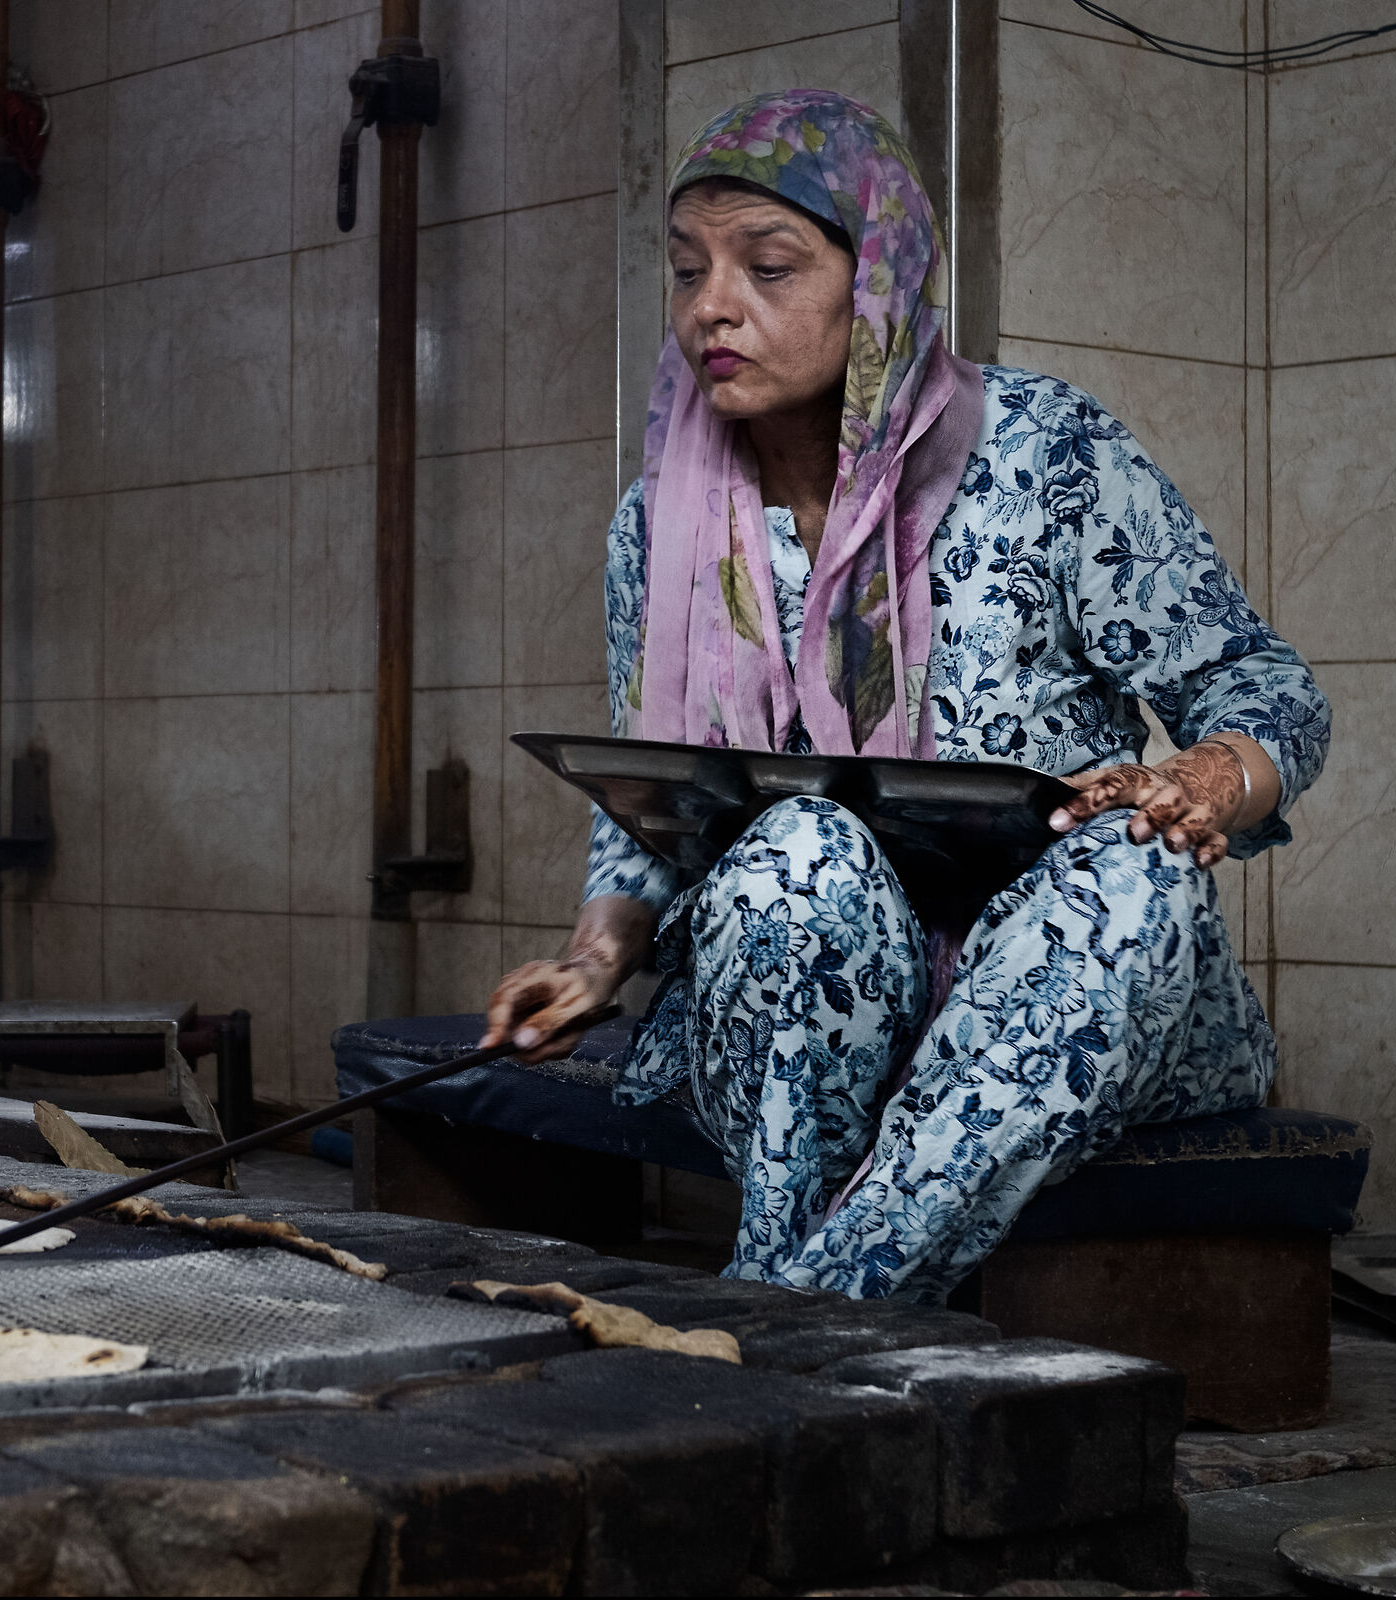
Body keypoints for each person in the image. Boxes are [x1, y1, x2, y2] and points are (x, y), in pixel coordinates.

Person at [481, 89, 1330, 1304]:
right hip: (807, 986)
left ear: (879, 278)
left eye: (766, 265)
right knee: (797, 852)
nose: (710, 306)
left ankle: (793, 1314)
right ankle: (809, 1308)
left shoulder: (1047, 458)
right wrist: (594, 953)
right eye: (686, 271)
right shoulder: (660, 521)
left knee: (1131, 871)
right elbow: (658, 786)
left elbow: (1263, 684)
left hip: (1062, 978)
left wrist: (1205, 776)